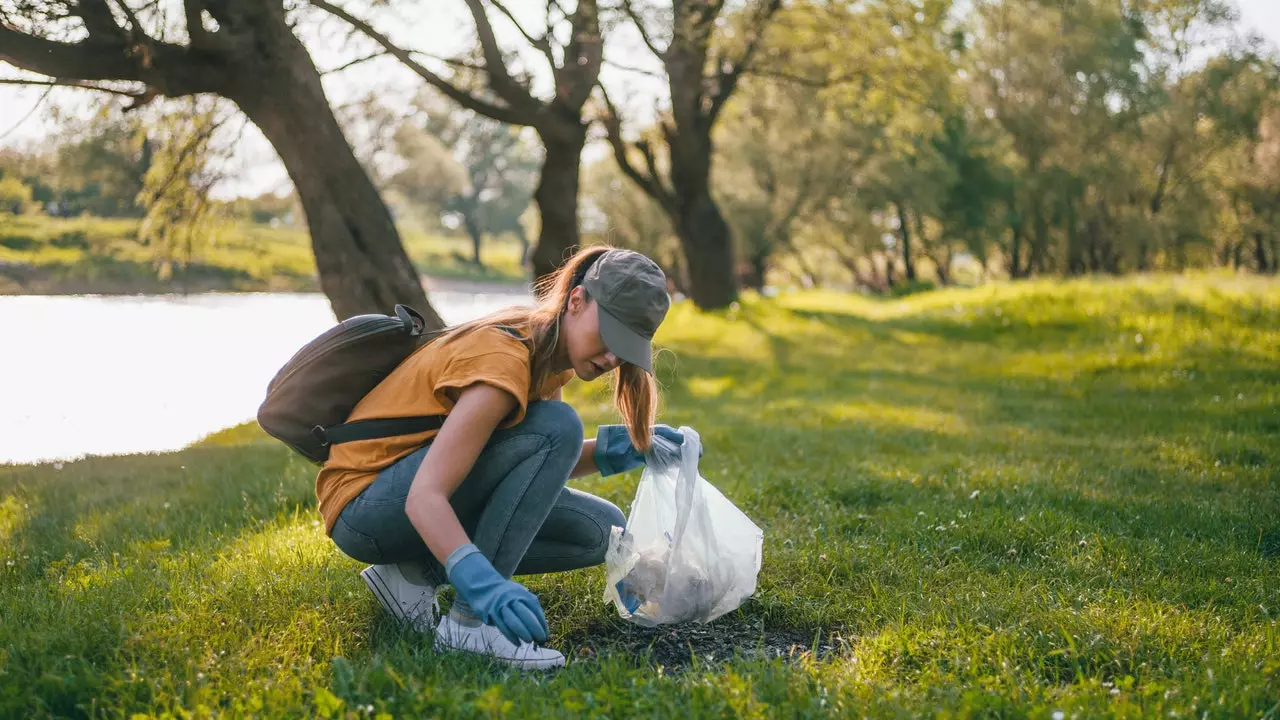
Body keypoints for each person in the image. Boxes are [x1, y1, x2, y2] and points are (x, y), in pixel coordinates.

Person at [315, 246, 689, 670]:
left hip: (398, 496)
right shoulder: (505, 359)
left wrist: (616, 452)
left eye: (625, 350)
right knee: (560, 426)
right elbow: (425, 496)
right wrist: (482, 588)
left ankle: (412, 575)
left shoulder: (547, 353)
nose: (611, 359)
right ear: (577, 300)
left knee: (601, 531)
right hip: (366, 508)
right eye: (609, 336)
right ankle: (469, 629)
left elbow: (529, 470)